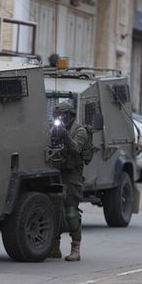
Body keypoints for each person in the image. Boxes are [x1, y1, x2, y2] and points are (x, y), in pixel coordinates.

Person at [49, 101, 89, 261]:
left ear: (70, 115)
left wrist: (65, 136)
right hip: (57, 172)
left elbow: (76, 149)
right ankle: (54, 247)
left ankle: (76, 248)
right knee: (55, 212)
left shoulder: (80, 131)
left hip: (72, 175)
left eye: (63, 115)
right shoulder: (55, 129)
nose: (60, 118)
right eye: (58, 116)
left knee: (71, 213)